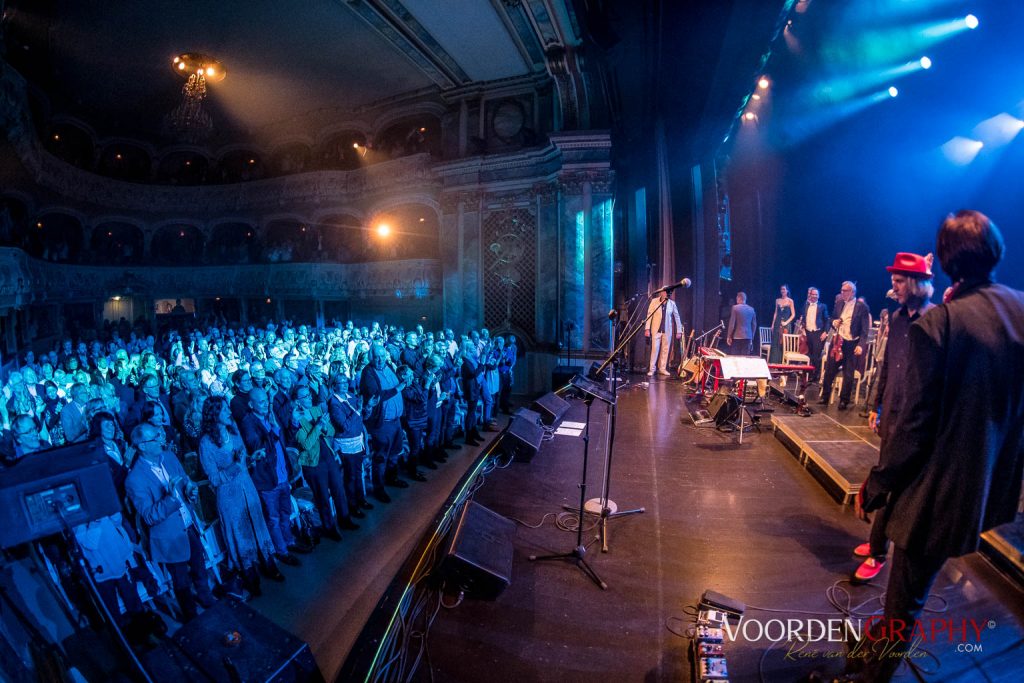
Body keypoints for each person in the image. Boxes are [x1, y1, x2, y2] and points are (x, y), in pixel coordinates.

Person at [853, 211, 1024, 681]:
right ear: (997, 251)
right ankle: (872, 653)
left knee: (903, 605)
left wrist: (876, 484)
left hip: (933, 495)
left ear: (945, 263)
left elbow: (913, 428)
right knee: (908, 597)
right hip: (986, 489)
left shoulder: (941, 324)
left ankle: (872, 675)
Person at [850, 252, 935, 584]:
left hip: (915, 421)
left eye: (899, 281)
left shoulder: (934, 320)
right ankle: (876, 542)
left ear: (915, 283)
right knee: (886, 479)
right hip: (892, 412)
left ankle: (879, 553)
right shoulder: (898, 319)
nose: (893, 287)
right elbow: (888, 365)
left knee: (892, 485)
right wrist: (876, 405)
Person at [125, 423, 217, 622]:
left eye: (159, 435)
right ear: (141, 446)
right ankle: (192, 617)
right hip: (169, 536)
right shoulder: (135, 479)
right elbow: (149, 515)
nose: (161, 440)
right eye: (155, 438)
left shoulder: (169, 457)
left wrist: (190, 490)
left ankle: (206, 598)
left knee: (200, 567)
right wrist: (173, 498)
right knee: (181, 580)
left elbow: (185, 481)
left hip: (188, 524)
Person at [199, 396, 280, 596]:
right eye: (224, 410)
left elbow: (243, 460)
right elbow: (214, 479)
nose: (229, 412)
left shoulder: (233, 431)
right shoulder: (206, 443)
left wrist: (252, 458)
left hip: (248, 488)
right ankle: (250, 576)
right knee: (241, 535)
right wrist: (235, 465)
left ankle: (269, 565)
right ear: (214, 414)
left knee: (257, 526)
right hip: (229, 497)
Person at [819, 281, 870, 409]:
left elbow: (865, 330)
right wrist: (833, 322)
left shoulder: (862, 307)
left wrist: (860, 345)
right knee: (830, 370)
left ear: (852, 292)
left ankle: (844, 400)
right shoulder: (839, 303)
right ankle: (825, 397)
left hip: (851, 343)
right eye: (841, 290)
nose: (842, 293)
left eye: (845, 291)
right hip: (838, 342)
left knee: (848, 373)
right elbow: (832, 318)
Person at [644, 288, 683, 376]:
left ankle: (662, 368)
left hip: (667, 330)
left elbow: (677, 317)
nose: (666, 293)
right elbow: (649, 315)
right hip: (656, 329)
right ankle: (652, 369)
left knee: (665, 350)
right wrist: (647, 329)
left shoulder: (672, 303)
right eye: (665, 291)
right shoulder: (654, 302)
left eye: (668, 292)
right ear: (661, 292)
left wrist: (679, 331)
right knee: (655, 349)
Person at [799, 287, 829, 375]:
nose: (814, 296)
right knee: (809, 354)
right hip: (808, 332)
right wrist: (802, 325)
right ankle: (809, 374)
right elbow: (803, 317)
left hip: (818, 333)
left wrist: (825, 332)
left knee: (816, 355)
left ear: (818, 296)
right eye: (813, 294)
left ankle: (816, 375)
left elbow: (827, 320)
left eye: (816, 294)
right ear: (810, 295)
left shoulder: (822, 306)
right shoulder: (806, 305)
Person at [768, 285, 795, 364]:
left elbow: (793, 314)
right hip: (777, 323)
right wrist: (773, 324)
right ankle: (773, 362)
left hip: (785, 324)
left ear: (787, 291)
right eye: (781, 289)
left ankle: (782, 363)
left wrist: (786, 322)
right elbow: (776, 313)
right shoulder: (777, 300)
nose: (782, 291)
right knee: (775, 342)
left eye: (784, 289)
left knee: (783, 343)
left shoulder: (790, 301)